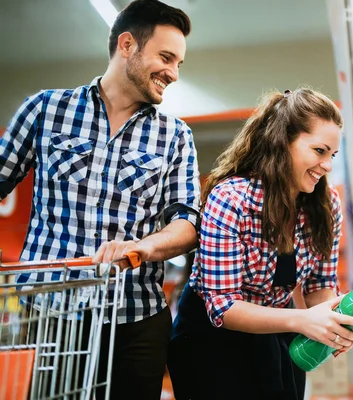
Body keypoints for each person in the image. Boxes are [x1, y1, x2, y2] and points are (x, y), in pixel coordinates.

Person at [0, 1, 200, 398]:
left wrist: (143, 247)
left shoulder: (175, 136)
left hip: (135, 319)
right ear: (127, 45)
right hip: (50, 313)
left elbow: (188, 225)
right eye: (165, 57)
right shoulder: (46, 110)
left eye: (179, 63)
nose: (173, 73)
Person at [168, 88, 353, 400]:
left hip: (279, 331)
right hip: (211, 341)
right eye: (319, 151)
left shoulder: (325, 204)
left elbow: (320, 286)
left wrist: (337, 320)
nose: (327, 165)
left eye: (333, 155)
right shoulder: (231, 198)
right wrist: (303, 320)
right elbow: (223, 308)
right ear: (283, 142)